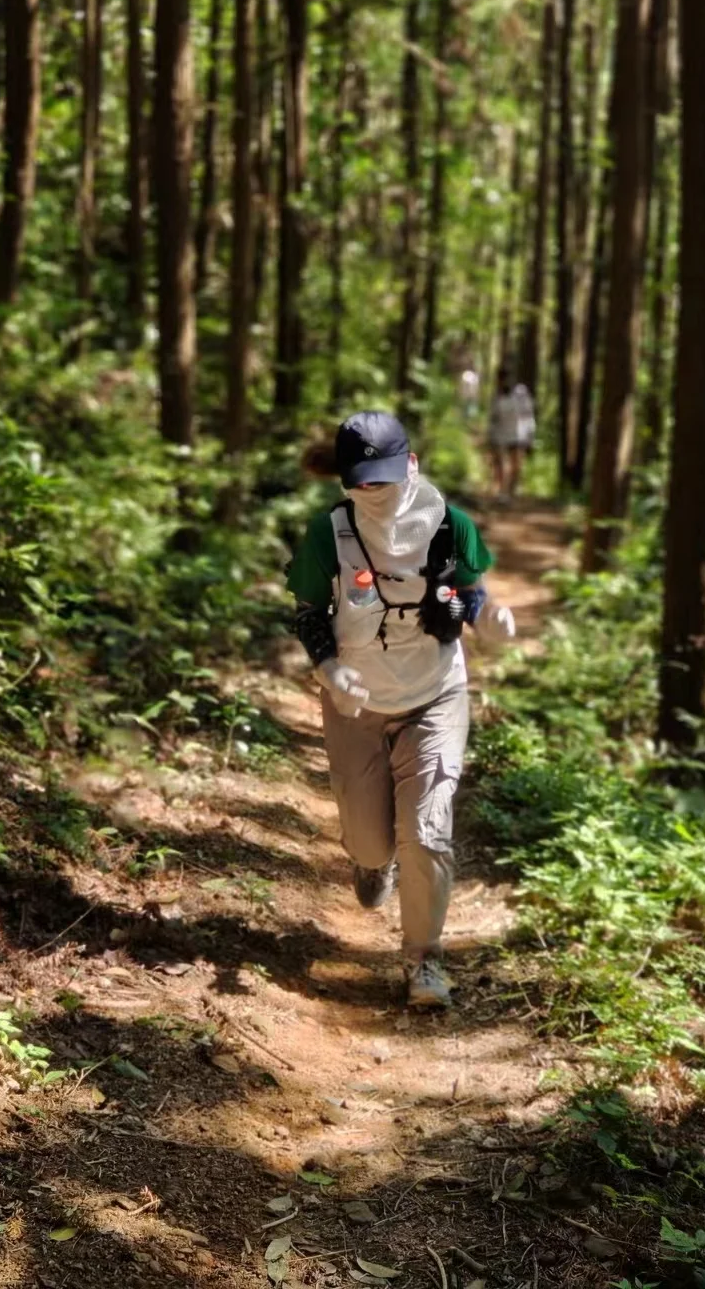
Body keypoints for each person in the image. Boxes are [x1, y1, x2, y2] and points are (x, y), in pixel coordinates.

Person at [286, 411, 516, 1009]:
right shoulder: (327, 532)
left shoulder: (448, 523)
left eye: (383, 479)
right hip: (355, 702)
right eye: (361, 482)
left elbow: (470, 590)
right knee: (370, 841)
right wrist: (328, 667)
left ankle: (424, 961)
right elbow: (309, 608)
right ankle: (370, 863)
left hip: (435, 693)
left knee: (428, 832)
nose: (373, 492)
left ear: (410, 465)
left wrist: (486, 616)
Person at [487, 367, 536, 500]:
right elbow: (493, 417)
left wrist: (530, 435)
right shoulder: (497, 396)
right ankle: (503, 492)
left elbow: (528, 415)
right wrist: (490, 435)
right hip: (500, 435)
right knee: (502, 464)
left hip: (518, 435)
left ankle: (510, 490)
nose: (503, 382)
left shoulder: (521, 393)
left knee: (516, 465)